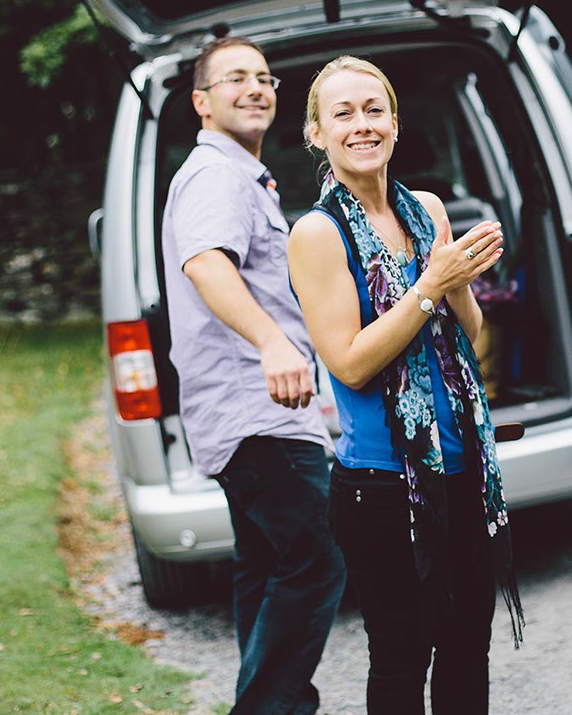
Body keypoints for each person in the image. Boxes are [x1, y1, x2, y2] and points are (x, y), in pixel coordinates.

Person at [287, 55, 523, 714]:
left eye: (374, 109)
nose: (362, 124)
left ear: (395, 122)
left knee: (467, 648)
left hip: (462, 470)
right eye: (343, 114)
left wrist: (459, 280)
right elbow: (350, 363)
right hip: (382, 486)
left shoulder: (426, 210)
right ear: (316, 134)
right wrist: (429, 285)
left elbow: (468, 334)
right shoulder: (317, 234)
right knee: (401, 660)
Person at [161, 36, 346, 714]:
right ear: (201, 102)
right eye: (235, 77)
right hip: (255, 408)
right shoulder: (217, 175)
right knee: (318, 557)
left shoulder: (241, 175)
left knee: (267, 565)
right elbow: (206, 263)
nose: (256, 88)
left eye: (264, 78)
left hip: (253, 409)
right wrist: (273, 342)